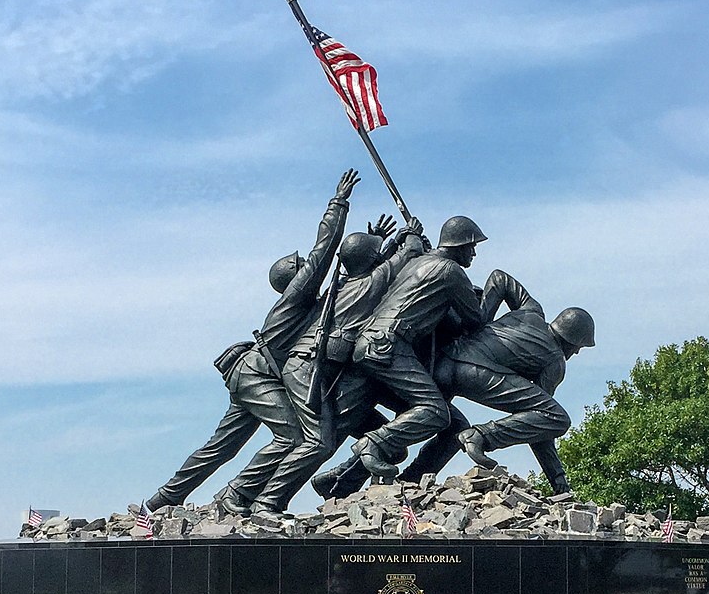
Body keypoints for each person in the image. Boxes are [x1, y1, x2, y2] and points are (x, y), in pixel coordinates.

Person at [143, 169, 359, 511]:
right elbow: (325, 249)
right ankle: (236, 494)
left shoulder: (307, 303)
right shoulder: (295, 297)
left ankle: (161, 500)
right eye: (303, 266)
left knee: (222, 447)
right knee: (295, 436)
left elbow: (344, 289)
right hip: (257, 374)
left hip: (255, 374)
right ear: (295, 276)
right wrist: (339, 203)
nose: (309, 267)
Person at [233, 217, 428, 514]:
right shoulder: (365, 284)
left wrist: (385, 242)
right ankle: (265, 502)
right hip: (308, 369)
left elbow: (379, 263)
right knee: (319, 442)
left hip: (320, 369)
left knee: (351, 439)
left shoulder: (344, 285)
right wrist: (411, 235)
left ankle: (325, 484)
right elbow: (405, 257)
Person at [412, 269, 595, 493]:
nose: (576, 353)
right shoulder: (555, 362)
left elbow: (500, 278)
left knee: (452, 426)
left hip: (442, 361)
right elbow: (542, 425)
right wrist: (559, 480)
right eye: (579, 347)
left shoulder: (532, 310)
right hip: (472, 373)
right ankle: (480, 436)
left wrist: (480, 321)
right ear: (573, 340)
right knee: (558, 418)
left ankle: (409, 480)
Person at [346, 215, 487, 479]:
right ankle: (372, 444)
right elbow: (475, 321)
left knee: (454, 423)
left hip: (372, 344)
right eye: (472, 246)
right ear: (459, 245)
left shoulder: (416, 261)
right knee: (435, 413)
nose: (475, 253)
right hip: (389, 347)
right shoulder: (451, 272)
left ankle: (343, 482)